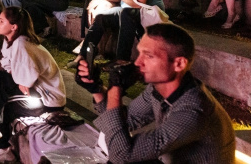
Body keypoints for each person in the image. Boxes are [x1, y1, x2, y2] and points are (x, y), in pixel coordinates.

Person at [76, 23, 235, 163]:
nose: (138, 62)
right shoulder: (157, 88)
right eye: (140, 53)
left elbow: (122, 156)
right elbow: (123, 120)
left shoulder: (193, 110)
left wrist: (114, 91)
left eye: (149, 56)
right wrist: (96, 88)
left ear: (178, 63)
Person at [0, 7, 66, 163]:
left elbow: (27, 79)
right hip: (34, 93)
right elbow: (7, 66)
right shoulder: (9, 41)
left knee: (3, 102)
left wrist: (19, 80)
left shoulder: (22, 44)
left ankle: (2, 148)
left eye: (1, 21)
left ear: (14, 27)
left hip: (48, 102)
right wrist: (17, 78)